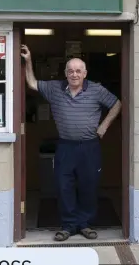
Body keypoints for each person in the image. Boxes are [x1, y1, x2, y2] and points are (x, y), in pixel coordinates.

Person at [21, 45, 122, 242]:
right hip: (65, 147)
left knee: (88, 186)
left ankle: (84, 224)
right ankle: (68, 225)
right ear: (65, 73)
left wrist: (104, 126)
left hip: (89, 147)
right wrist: (28, 60)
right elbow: (32, 83)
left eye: (78, 71)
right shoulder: (55, 89)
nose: (74, 74)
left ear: (85, 73)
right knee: (63, 185)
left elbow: (117, 104)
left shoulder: (96, 89)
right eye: (70, 71)